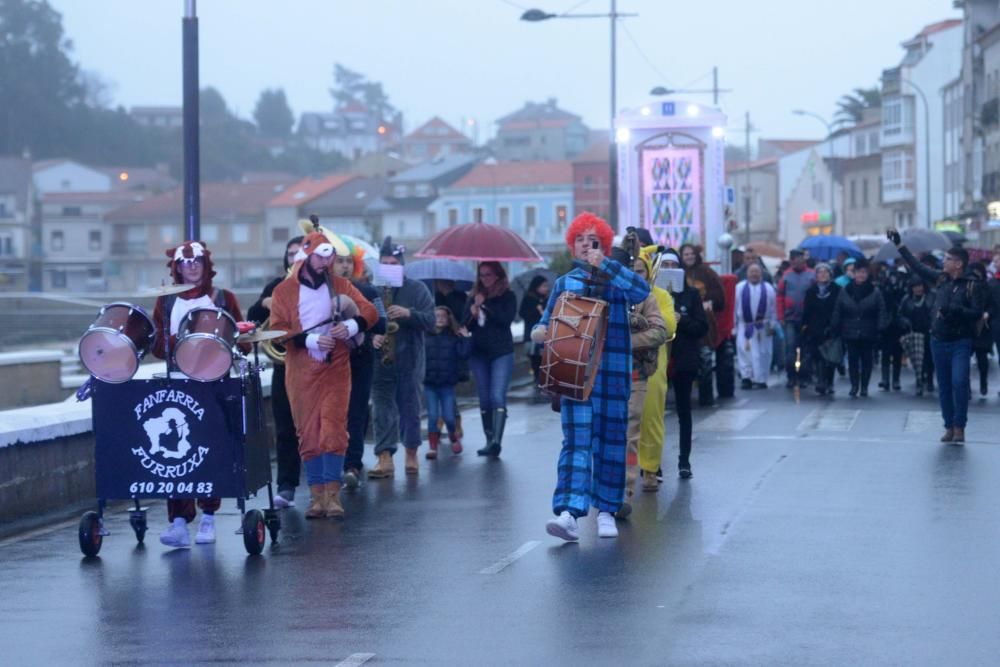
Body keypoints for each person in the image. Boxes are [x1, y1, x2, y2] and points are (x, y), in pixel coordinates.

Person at [533, 212, 649, 541]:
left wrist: (608, 265)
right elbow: (543, 321)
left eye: (592, 239)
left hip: (612, 375)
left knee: (611, 443)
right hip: (574, 377)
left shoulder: (617, 277)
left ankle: (607, 511)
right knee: (577, 443)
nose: (586, 244)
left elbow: (641, 292)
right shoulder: (565, 282)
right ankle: (569, 512)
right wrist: (540, 332)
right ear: (573, 245)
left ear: (603, 242)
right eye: (580, 239)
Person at [270, 231, 378, 519]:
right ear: (306, 256)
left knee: (333, 428)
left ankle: (333, 494)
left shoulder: (340, 285)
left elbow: (370, 312)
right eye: (320, 256)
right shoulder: (284, 292)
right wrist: (309, 341)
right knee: (308, 433)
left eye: (328, 257)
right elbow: (278, 328)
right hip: (301, 369)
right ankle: (317, 496)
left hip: (336, 367)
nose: (324, 263)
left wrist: (352, 326)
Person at [152, 241, 245, 548]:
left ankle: (208, 516)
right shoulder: (166, 302)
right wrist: (176, 341)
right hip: (179, 382)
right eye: (185, 263)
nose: (192, 268)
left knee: (209, 447)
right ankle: (179, 520)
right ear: (176, 267)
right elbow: (157, 348)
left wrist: (240, 335)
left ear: (206, 266)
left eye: (197, 263)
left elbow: (239, 341)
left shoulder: (224, 298)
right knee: (175, 452)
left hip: (214, 381)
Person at [890, 230, 985, 443]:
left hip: (961, 340)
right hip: (939, 339)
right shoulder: (941, 279)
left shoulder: (972, 284)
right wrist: (900, 245)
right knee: (943, 385)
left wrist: (956, 310)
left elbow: (977, 312)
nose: (944, 261)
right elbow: (917, 266)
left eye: (949, 259)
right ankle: (949, 425)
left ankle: (960, 425)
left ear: (959, 264)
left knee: (959, 382)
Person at [368, 238, 436, 478]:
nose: (389, 266)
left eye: (393, 263)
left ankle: (411, 453)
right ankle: (384, 457)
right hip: (380, 360)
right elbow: (361, 323)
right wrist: (371, 337)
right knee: (381, 409)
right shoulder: (372, 290)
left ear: (401, 265)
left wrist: (409, 313)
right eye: (384, 263)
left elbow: (431, 321)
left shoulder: (417, 289)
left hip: (410, 357)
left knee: (410, 407)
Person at [247, 236, 303, 508]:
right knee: (285, 429)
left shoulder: (321, 285)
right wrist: (267, 302)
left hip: (317, 365)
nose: (294, 258)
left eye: (300, 253)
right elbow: (253, 317)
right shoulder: (275, 286)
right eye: (290, 254)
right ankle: (287, 485)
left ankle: (326, 484)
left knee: (320, 428)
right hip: (285, 366)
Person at [330, 237, 387, 488]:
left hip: (360, 358)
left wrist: (356, 317)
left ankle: (352, 463)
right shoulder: (320, 293)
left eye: (348, 262)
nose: (344, 266)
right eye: (339, 261)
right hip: (329, 360)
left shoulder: (368, 291)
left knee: (356, 411)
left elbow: (382, 323)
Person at [621, 244, 672, 517]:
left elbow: (664, 329)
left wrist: (624, 341)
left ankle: (644, 474)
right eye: (632, 271)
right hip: (611, 372)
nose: (636, 275)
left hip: (644, 369)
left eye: (641, 271)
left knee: (643, 425)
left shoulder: (657, 296)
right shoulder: (613, 294)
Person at [663, 249, 708, 480]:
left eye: (673, 265)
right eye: (665, 265)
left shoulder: (690, 294)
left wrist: (683, 320)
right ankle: (653, 465)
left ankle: (684, 461)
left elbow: (702, 327)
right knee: (654, 414)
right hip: (659, 359)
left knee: (684, 411)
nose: (669, 270)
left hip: (683, 359)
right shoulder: (652, 294)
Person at [466, 261, 517, 457]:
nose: (484, 279)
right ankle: (488, 440)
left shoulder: (507, 296)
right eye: (481, 275)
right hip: (479, 353)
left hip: (501, 351)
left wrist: (484, 306)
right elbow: (464, 326)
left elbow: (506, 319)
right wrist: (472, 313)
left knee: (497, 396)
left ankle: (497, 440)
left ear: (498, 276)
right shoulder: (473, 297)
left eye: (488, 275)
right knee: (485, 399)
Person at [831, 258, 886, 398]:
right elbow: (838, 309)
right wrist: (835, 326)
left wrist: (880, 328)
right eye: (858, 272)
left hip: (869, 330)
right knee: (853, 359)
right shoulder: (846, 291)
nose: (861, 275)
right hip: (849, 330)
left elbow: (881, 310)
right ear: (853, 273)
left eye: (864, 272)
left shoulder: (875, 291)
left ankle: (864, 386)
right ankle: (854, 385)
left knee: (867, 360)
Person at [680, 243, 726, 406]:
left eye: (691, 254)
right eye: (686, 254)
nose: (689, 257)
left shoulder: (707, 272)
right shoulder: (678, 273)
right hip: (682, 315)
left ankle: (706, 395)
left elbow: (718, 293)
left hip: (700, 315)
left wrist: (710, 301)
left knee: (704, 352)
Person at [424, 306, 472, 458]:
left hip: (447, 384)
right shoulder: (425, 336)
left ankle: (452, 435)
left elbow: (464, 354)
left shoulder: (453, 337)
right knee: (432, 416)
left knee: (449, 417)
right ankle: (432, 447)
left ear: (448, 319)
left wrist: (465, 338)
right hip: (429, 383)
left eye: (443, 316)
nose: (439, 318)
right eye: (436, 316)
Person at [777, 249, 816, 388]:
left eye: (798, 258)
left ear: (803, 260)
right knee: (790, 349)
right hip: (790, 319)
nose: (795, 261)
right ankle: (791, 375)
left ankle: (805, 375)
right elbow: (780, 296)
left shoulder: (812, 275)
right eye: (793, 259)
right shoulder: (786, 276)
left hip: (807, 319)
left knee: (806, 350)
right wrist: (780, 316)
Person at [734, 263, 777, 389]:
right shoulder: (739, 287)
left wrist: (773, 324)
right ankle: (746, 377)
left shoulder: (768, 288)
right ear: (747, 273)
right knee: (744, 352)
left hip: (762, 326)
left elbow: (774, 308)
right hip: (745, 325)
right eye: (751, 271)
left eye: (756, 271)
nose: (754, 274)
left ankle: (761, 379)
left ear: (761, 273)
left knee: (763, 353)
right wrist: (734, 325)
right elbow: (734, 307)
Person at [801, 262, 841, 395]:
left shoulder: (837, 290)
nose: (823, 274)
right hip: (815, 328)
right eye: (820, 272)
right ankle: (821, 381)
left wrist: (835, 326)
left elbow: (839, 309)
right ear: (816, 276)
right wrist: (804, 326)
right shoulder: (811, 291)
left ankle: (829, 382)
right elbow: (806, 311)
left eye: (826, 272)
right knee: (817, 356)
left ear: (830, 275)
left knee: (830, 357)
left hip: (831, 328)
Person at [899, 277, 933, 396]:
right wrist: (905, 322)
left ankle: (929, 380)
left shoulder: (930, 297)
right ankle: (919, 381)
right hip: (914, 333)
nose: (918, 289)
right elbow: (900, 314)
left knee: (929, 358)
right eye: (915, 286)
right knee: (918, 359)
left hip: (929, 332)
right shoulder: (906, 300)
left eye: (920, 286)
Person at [519, 275, 550, 399]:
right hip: (531, 335)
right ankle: (537, 378)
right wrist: (536, 310)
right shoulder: (529, 299)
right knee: (534, 358)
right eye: (544, 286)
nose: (546, 289)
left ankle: (544, 380)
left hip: (545, 336)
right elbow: (523, 313)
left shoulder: (548, 299)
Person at [877, 266, 907, 391]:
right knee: (885, 353)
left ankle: (895, 379)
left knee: (897, 353)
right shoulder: (883, 289)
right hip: (886, 325)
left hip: (898, 326)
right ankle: (885, 379)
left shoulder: (904, 289)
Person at [969, 262, 993, 397]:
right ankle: (966, 386)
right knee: (964, 359)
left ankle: (983, 382)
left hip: (982, 328)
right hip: (967, 328)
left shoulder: (986, 287)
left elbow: (992, 306)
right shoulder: (966, 287)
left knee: (982, 360)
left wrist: (987, 314)